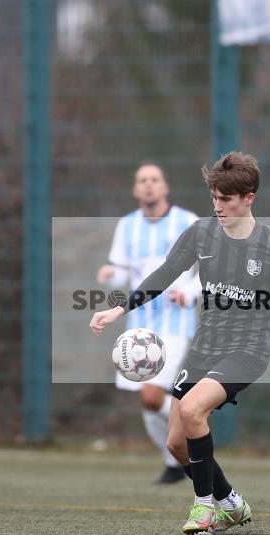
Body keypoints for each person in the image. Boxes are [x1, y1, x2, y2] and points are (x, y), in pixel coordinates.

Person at [90, 151, 270, 534]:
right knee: (177, 443)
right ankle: (231, 502)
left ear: (249, 197)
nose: (218, 206)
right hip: (205, 346)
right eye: (214, 197)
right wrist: (118, 309)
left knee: (194, 409)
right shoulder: (201, 233)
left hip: (248, 349)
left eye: (226, 199)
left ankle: (203, 508)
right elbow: (164, 273)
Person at [96, 163, 200, 484]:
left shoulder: (188, 222)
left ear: (165, 187)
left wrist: (190, 292)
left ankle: (195, 426)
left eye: (155, 179)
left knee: (152, 396)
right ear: (135, 189)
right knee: (147, 398)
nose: (149, 185)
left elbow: (209, 272)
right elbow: (127, 275)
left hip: (175, 325)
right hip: (139, 326)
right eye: (143, 180)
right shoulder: (127, 226)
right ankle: (175, 460)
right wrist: (111, 276)